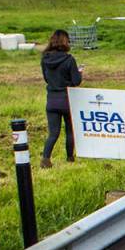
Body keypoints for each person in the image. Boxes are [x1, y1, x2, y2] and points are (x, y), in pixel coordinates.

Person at [40, 29, 83, 168]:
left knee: (53, 133)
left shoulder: (45, 59)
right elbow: (76, 81)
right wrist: (79, 73)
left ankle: (45, 159)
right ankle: (70, 158)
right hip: (67, 100)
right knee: (69, 130)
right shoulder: (69, 59)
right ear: (66, 41)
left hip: (51, 100)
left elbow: (46, 79)